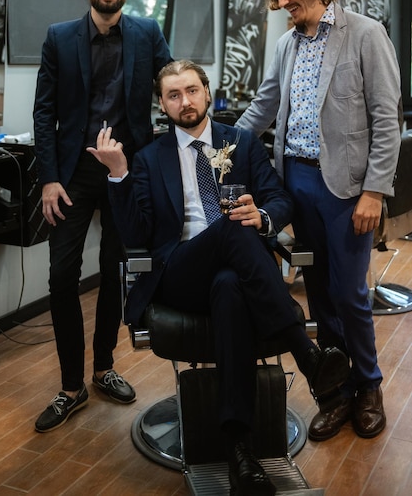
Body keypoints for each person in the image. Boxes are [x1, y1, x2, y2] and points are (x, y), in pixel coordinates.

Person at [88, 59, 349, 496]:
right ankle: (307, 354)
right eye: (173, 95)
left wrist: (262, 215)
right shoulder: (150, 158)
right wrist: (118, 173)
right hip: (181, 271)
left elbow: (277, 198)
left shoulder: (242, 142)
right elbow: (136, 234)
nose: (184, 101)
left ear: (207, 92)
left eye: (191, 90)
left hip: (237, 273)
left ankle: (240, 451)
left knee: (230, 283)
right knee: (228, 227)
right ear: (163, 104)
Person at [236, 0, 402, 442]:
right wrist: (217, 147)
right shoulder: (286, 45)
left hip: (348, 188)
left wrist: (375, 191)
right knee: (318, 295)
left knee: (350, 293)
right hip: (296, 184)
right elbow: (264, 107)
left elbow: (386, 119)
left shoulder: (366, 35)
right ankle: (337, 392)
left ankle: (370, 386)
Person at [33, 0, 172, 433]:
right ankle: (71, 386)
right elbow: (43, 113)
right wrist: (49, 177)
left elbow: (171, 85)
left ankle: (104, 368)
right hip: (72, 174)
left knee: (116, 271)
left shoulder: (147, 32)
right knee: (61, 275)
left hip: (126, 170)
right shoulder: (59, 37)